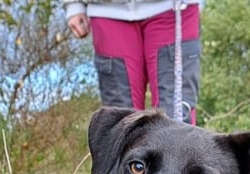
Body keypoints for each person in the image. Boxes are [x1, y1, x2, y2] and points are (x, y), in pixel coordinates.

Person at [63, 0, 202, 125]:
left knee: (176, 118)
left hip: (173, 8)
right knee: (122, 123)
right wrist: (73, 4)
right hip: (107, 11)